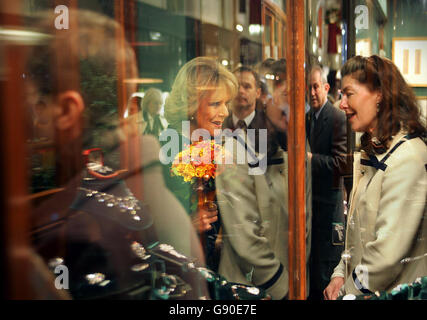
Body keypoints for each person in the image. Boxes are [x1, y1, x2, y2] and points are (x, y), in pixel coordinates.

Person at [25, 9, 208, 299]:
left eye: (36, 103)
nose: (30, 117)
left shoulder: (79, 229)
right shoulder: (129, 186)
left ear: (66, 111)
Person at [324, 55, 427, 299]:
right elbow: (356, 232)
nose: (342, 104)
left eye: (349, 94)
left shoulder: (408, 158)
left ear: (379, 94)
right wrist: (340, 273)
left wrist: (348, 291)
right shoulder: (374, 150)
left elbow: (385, 257)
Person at [216, 66, 289, 299]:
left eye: (247, 86)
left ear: (258, 92)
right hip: (226, 245)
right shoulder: (217, 124)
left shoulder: (271, 129)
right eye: (236, 87)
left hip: (265, 248)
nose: (241, 92)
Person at [160, 56, 239, 271]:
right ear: (191, 105)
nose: (225, 112)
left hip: (209, 263)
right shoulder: (169, 148)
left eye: (226, 103)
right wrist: (187, 224)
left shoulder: (210, 143)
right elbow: (148, 222)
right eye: (216, 104)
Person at [306, 65, 348, 300]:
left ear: (326, 87)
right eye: (308, 87)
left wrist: (311, 159)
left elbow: (341, 165)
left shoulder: (337, 117)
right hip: (311, 207)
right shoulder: (307, 118)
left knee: (326, 274)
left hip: (329, 208)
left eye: (315, 87)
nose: (312, 92)